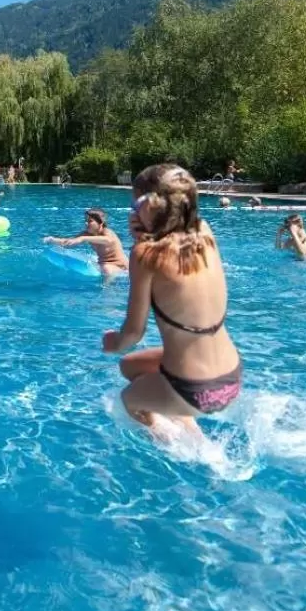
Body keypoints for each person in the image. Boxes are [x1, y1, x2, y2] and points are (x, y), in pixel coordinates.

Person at [103, 165, 241, 439]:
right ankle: (185, 420)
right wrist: (146, 233)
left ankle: (192, 453)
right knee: (129, 367)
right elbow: (171, 249)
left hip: (194, 388)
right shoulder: (204, 231)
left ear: (150, 204)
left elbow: (133, 333)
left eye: (134, 203)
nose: (132, 211)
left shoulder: (143, 255)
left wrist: (113, 343)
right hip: (232, 375)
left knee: (128, 401)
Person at [43, 207, 128, 277]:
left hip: (121, 266)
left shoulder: (107, 232)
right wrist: (52, 239)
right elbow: (68, 242)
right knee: (104, 266)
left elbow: (108, 240)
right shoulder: (86, 234)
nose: (86, 223)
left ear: (101, 223)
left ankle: (108, 292)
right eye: (85, 220)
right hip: (103, 263)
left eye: (90, 221)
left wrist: (83, 238)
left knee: (106, 268)